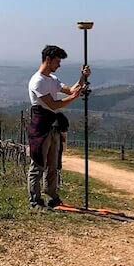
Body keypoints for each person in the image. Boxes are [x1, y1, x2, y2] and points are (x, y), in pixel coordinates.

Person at [27, 44, 90, 209]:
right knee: (38, 164)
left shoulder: (52, 79)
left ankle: (52, 196)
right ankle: (35, 200)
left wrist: (82, 77)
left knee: (53, 164)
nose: (59, 65)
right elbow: (53, 104)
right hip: (41, 126)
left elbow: (70, 90)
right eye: (57, 61)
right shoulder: (37, 81)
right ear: (48, 60)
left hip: (54, 126)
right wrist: (76, 97)